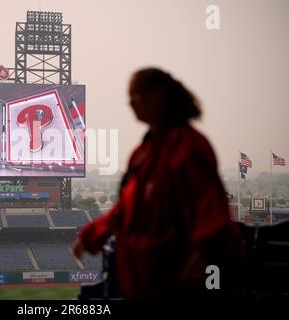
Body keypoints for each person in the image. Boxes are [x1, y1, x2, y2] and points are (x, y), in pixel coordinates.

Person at [73, 68, 245, 300]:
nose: (131, 103)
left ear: (159, 95)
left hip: (178, 280)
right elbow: (125, 209)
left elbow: (209, 207)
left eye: (137, 94)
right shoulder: (143, 152)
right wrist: (93, 235)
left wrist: (206, 252)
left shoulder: (187, 145)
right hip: (144, 280)